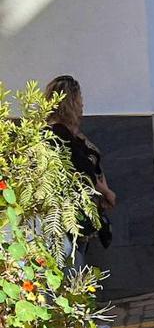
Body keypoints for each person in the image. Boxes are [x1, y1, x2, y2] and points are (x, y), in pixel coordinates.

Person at [44, 75, 116, 267]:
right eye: (79, 98)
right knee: (73, 265)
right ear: (70, 102)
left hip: (77, 211)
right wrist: (105, 191)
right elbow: (82, 170)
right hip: (69, 215)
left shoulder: (65, 131)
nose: (83, 103)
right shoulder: (58, 133)